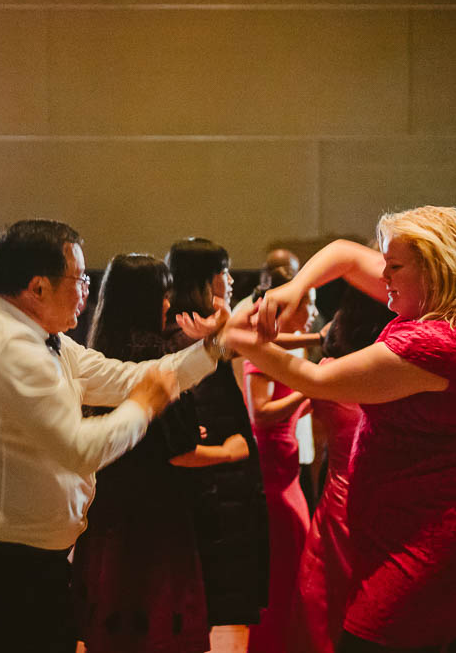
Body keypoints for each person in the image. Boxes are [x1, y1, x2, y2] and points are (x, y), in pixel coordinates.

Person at [0, 220, 230, 653]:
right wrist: (144, 407)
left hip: (19, 566)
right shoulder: (11, 348)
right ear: (37, 288)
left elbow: (123, 376)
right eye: (79, 278)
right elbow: (80, 449)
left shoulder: (35, 334)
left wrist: (215, 348)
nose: (87, 290)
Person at [228, 211, 456, 652]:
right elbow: (344, 256)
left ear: (434, 270)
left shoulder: (436, 343)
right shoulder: (453, 310)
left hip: (423, 542)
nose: (383, 273)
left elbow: (316, 381)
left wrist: (235, 338)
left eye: (395, 266)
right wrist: (296, 287)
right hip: (408, 527)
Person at [73, 254, 252, 653]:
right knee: (159, 629)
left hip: (108, 510)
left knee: (110, 626)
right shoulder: (156, 355)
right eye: (163, 293)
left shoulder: (97, 347)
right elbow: (180, 449)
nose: (168, 303)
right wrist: (227, 451)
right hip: (156, 514)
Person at [165, 237, 270, 633]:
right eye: (223, 272)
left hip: (221, 492)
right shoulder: (190, 333)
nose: (229, 281)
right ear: (205, 279)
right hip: (215, 494)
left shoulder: (202, 328)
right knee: (220, 615)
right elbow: (200, 427)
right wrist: (229, 453)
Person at [297, 288, 394, 653]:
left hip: (337, 502)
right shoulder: (400, 372)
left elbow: (319, 450)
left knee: (327, 611)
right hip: (390, 505)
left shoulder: (327, 373)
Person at [243, 298, 312, 653]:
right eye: (308, 305)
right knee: (283, 571)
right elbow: (261, 415)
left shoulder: (282, 352)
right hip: (273, 475)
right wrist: (311, 388)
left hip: (288, 471)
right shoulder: (263, 354)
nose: (313, 313)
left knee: (295, 565)